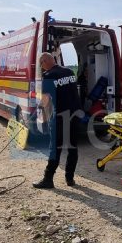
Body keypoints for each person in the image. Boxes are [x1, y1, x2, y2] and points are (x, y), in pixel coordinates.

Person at [33, 52, 81, 189]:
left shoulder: (48, 76)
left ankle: (48, 179)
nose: (41, 67)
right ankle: (70, 179)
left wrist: (37, 111)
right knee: (72, 148)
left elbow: (46, 99)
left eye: (41, 64)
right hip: (75, 114)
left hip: (60, 116)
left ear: (45, 62)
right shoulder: (70, 71)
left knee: (55, 148)